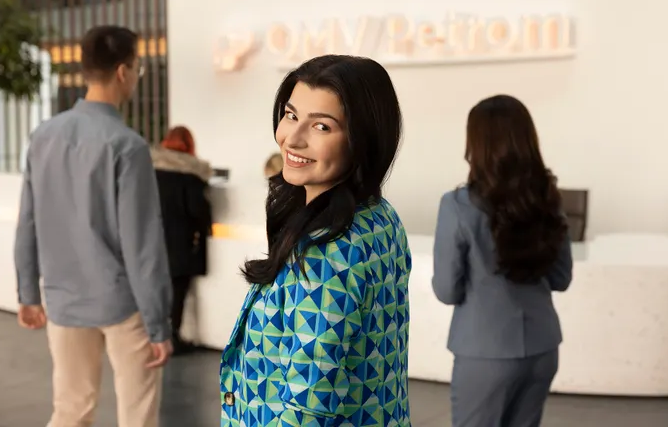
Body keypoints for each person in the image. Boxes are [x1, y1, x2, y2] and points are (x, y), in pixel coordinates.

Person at [219, 55, 412, 426]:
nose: (292, 138)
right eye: (291, 115)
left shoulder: (328, 252)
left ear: (362, 140)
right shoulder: (379, 217)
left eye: (321, 126)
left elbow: (306, 411)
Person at [14, 25, 173, 427]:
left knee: (70, 411)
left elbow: (27, 222)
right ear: (123, 71)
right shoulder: (127, 146)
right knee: (137, 416)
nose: (137, 77)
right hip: (123, 304)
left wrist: (28, 292)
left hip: (64, 300)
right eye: (138, 68)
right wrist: (158, 324)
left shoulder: (42, 137)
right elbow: (143, 245)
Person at [432, 94, 573, 427]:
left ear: (475, 144)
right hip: (543, 347)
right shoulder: (549, 199)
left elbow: (447, 291)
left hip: (485, 351)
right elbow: (561, 278)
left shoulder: (457, 205)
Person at [151, 125, 213, 354]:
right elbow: (199, 211)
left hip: (152, 241)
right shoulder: (191, 174)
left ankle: (154, 334)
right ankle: (173, 338)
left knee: (156, 289)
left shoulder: (150, 170)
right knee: (178, 292)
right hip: (180, 243)